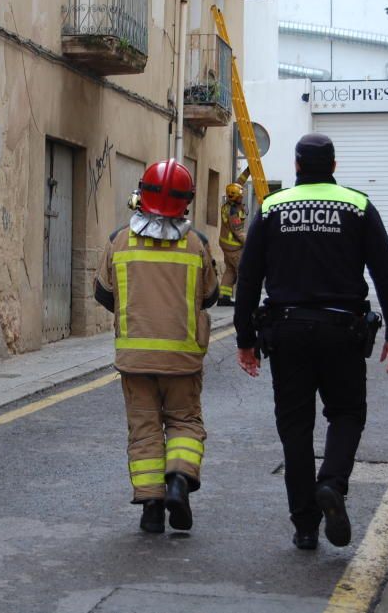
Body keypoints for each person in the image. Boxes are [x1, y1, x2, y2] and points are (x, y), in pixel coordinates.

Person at [233, 133, 388, 550]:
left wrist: (245, 337)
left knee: (295, 429)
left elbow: (248, 277)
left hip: (287, 331)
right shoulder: (358, 205)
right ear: (333, 166)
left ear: (296, 166)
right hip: (341, 331)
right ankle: (331, 482)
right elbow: (386, 273)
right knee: (346, 414)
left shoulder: (272, 208)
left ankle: (305, 525)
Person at [94, 159, 219, 533]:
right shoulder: (196, 243)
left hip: (135, 357)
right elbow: (211, 296)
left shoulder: (119, 240)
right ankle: (179, 480)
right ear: (187, 201)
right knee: (183, 421)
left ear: (142, 195)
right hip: (183, 358)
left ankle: (151, 508)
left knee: (144, 429)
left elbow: (102, 293)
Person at [217, 182, 247, 306]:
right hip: (234, 247)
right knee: (242, 272)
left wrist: (248, 172)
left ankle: (224, 297)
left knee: (230, 271)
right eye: (240, 195)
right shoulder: (233, 211)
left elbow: (239, 181)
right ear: (235, 197)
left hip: (226, 246)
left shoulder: (226, 206)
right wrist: (249, 243)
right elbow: (238, 230)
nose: (242, 197)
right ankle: (243, 300)